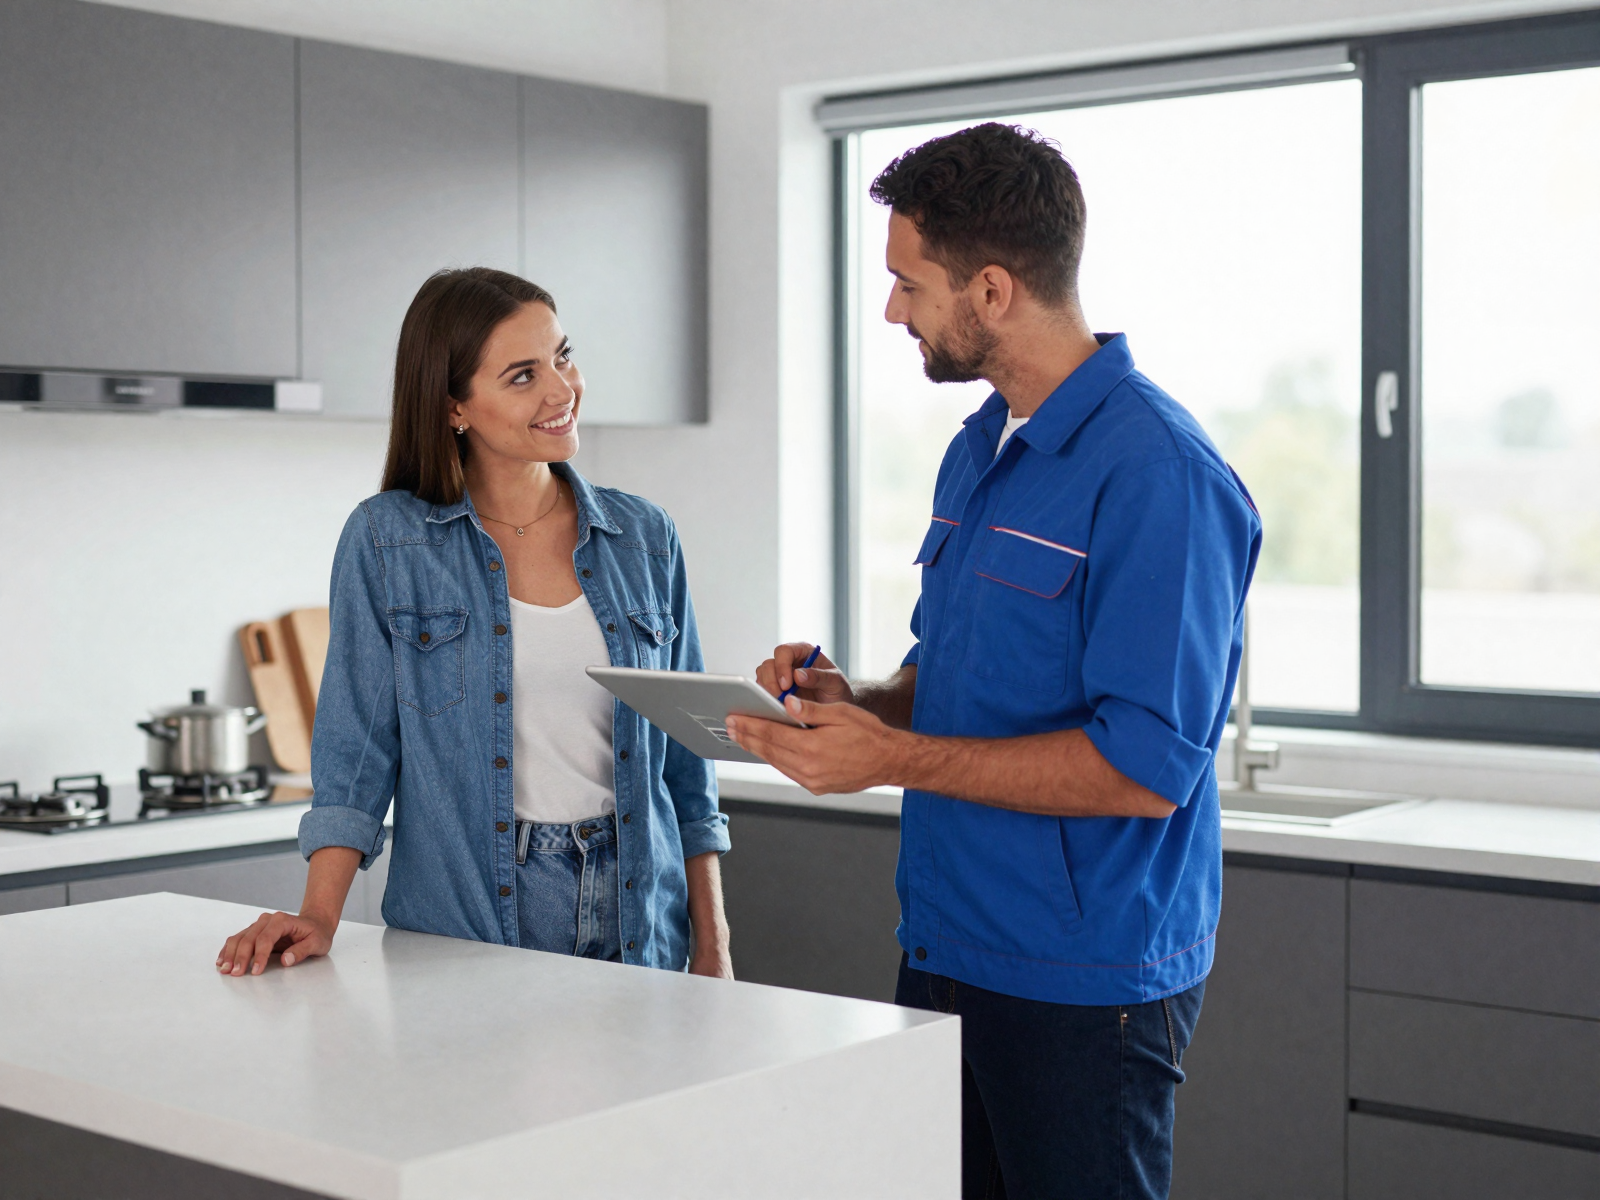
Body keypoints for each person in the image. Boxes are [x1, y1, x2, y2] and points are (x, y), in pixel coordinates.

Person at [730, 125, 1260, 1199]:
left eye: (907, 284)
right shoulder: (984, 446)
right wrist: (861, 701)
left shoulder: (1160, 476)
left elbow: (1143, 771)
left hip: (1080, 980)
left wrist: (891, 759)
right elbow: (958, 669)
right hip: (946, 943)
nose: (892, 311)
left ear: (993, 289)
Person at [217, 267, 732, 980]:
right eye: (522, 376)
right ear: (455, 406)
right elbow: (358, 753)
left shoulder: (644, 537)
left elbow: (686, 765)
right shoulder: (388, 541)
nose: (562, 389)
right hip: (470, 926)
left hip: (642, 920)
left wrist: (714, 945)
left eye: (562, 355)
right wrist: (318, 916)